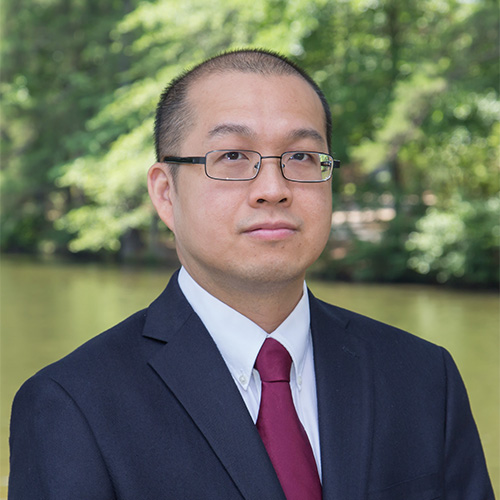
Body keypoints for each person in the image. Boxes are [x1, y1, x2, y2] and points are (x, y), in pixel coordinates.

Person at [9, 49, 493, 500]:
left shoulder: (424, 377)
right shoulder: (70, 405)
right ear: (165, 193)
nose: (273, 188)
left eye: (301, 157)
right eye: (233, 156)